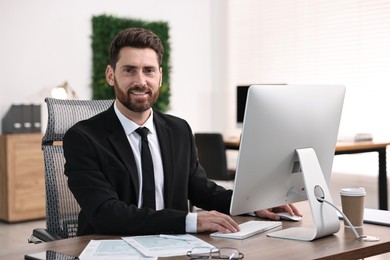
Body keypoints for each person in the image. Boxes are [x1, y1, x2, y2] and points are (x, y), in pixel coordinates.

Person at [63, 27, 301, 236]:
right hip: (110, 247)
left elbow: (202, 191)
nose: (140, 81)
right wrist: (190, 221)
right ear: (110, 75)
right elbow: (106, 213)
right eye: (129, 70)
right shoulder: (83, 138)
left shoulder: (178, 130)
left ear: (160, 76)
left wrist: (252, 203)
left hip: (173, 247)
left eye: (149, 70)